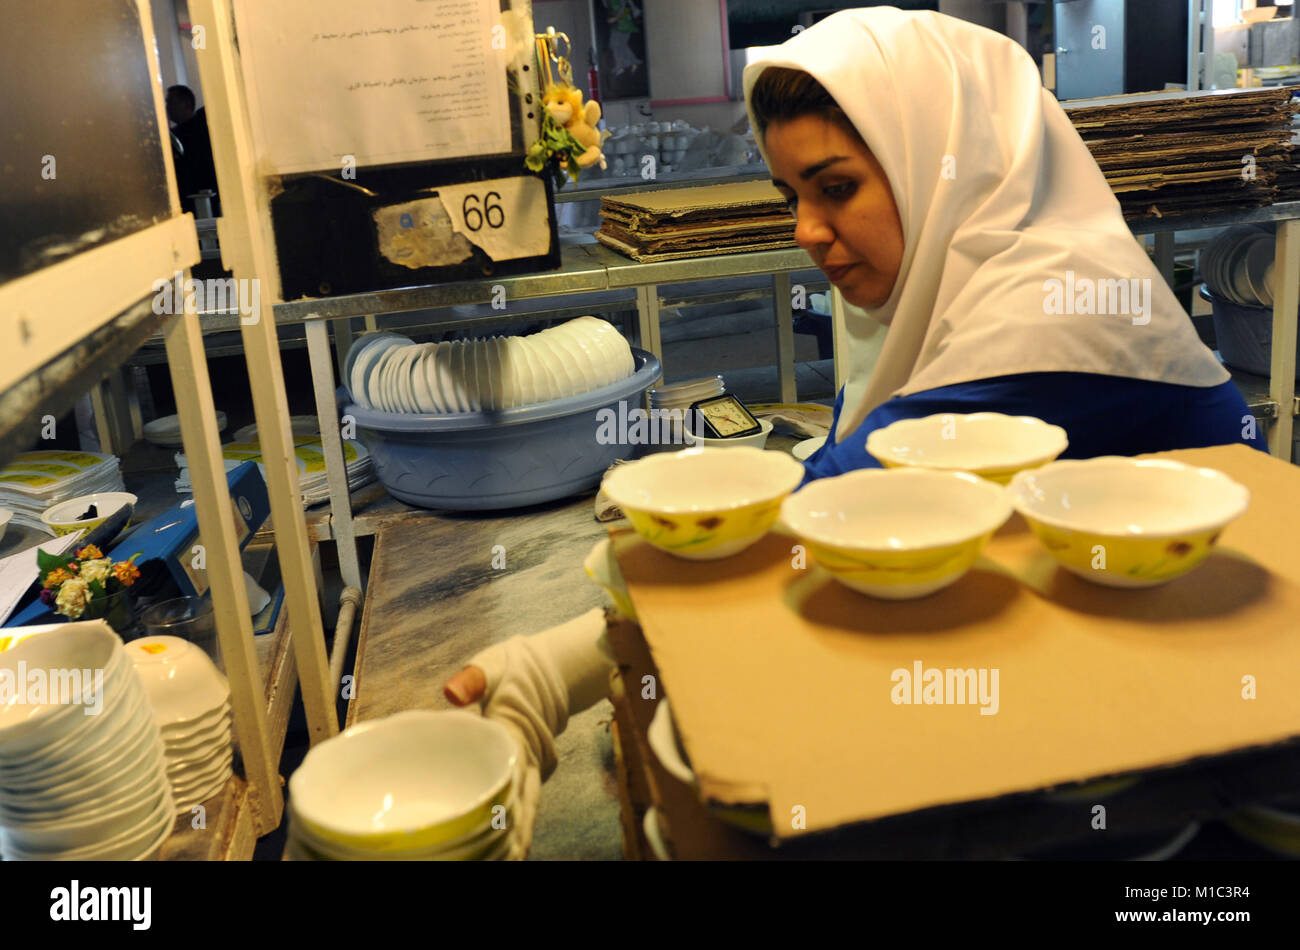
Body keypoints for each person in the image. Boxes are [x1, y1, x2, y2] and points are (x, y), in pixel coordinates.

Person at [440, 7, 1264, 853]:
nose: (805, 232)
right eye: (791, 195)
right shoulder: (968, 273)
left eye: (835, 188)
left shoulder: (1051, 311)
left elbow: (820, 511)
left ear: (944, 162)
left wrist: (549, 672)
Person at [165, 84, 220, 216]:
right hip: (188, 200)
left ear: (186, 103)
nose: (167, 108)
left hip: (207, 196)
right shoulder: (173, 137)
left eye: (170, 102)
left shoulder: (204, 126)